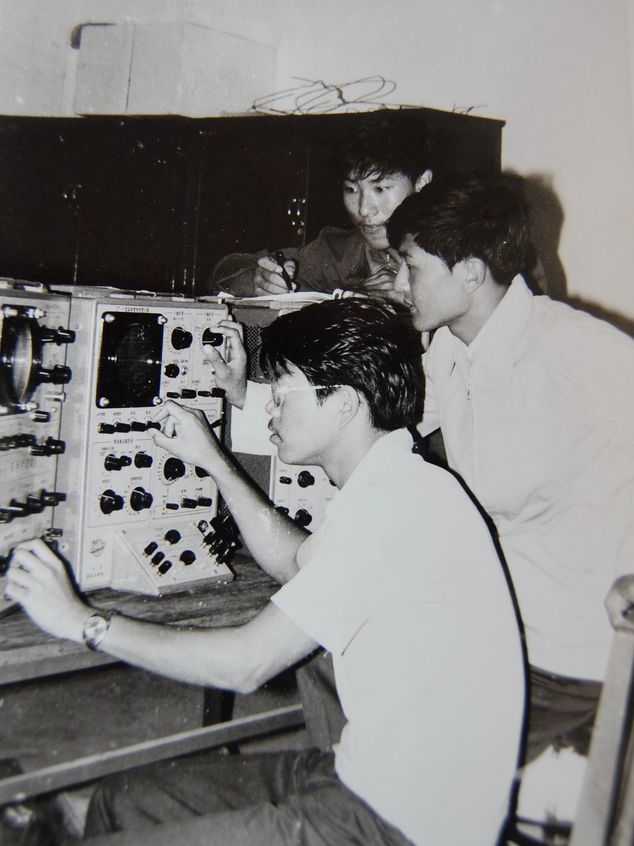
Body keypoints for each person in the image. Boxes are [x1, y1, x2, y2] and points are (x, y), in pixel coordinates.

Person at [6, 298, 525, 846]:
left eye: (282, 395)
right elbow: (296, 561)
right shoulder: (397, 481)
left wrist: (84, 623)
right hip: (364, 778)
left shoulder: (396, 507)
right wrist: (215, 461)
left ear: (344, 403)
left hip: (403, 826)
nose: (270, 411)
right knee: (121, 802)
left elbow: (246, 665)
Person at [386, 173, 634, 766]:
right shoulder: (449, 348)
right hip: (499, 624)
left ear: (471, 272)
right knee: (339, 654)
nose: (398, 285)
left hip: (571, 652)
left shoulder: (574, 348)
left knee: (409, 759)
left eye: (411, 267)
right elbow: (380, 420)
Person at [210, 122, 433, 300]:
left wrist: (413, 298)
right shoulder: (342, 252)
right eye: (351, 189)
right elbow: (226, 270)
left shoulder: (455, 246)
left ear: (422, 184)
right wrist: (258, 280)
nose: (364, 209)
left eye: (380, 188)